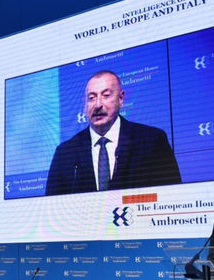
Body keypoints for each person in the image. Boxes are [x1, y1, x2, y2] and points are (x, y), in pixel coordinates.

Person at [45, 70, 181, 195]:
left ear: (120, 99)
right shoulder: (65, 152)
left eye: (106, 95)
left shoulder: (152, 141)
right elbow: (52, 206)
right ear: (84, 104)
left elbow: (172, 196)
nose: (98, 105)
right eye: (91, 98)